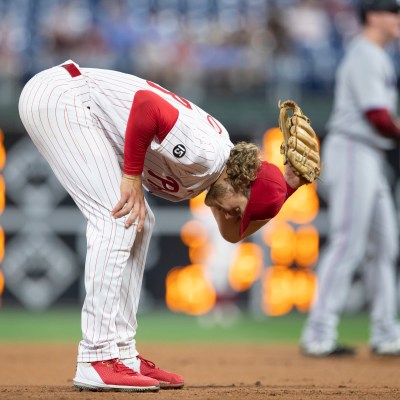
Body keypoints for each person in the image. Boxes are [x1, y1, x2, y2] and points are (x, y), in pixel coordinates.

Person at [18, 60, 303, 392]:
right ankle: (96, 357)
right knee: (119, 218)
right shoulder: (207, 154)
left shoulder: (218, 176)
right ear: (241, 182)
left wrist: (290, 187)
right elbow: (146, 105)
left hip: (81, 108)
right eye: (237, 208)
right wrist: (131, 177)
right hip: (64, 97)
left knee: (139, 222)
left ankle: (121, 354)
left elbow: (232, 234)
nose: (230, 214)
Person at [301, 0, 400, 357]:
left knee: (385, 245)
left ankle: (386, 332)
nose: (399, 19)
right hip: (353, 149)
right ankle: (318, 333)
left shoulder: (379, 55)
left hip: (370, 155)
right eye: (395, 12)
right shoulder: (365, 54)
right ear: (374, 16)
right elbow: (377, 116)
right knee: (348, 244)